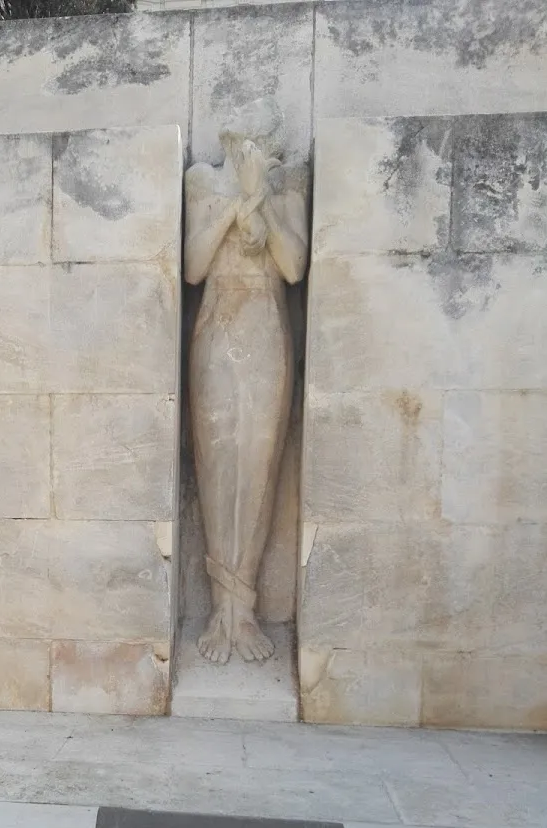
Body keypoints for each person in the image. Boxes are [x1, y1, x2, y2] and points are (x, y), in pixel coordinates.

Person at [185, 103, 308, 665]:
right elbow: (192, 267)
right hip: (215, 333)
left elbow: (294, 267)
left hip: (265, 335)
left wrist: (264, 201)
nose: (249, 150)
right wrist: (238, 204)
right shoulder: (201, 182)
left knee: (257, 469)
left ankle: (246, 610)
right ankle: (220, 609)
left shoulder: (290, 184)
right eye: (242, 143)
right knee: (217, 469)